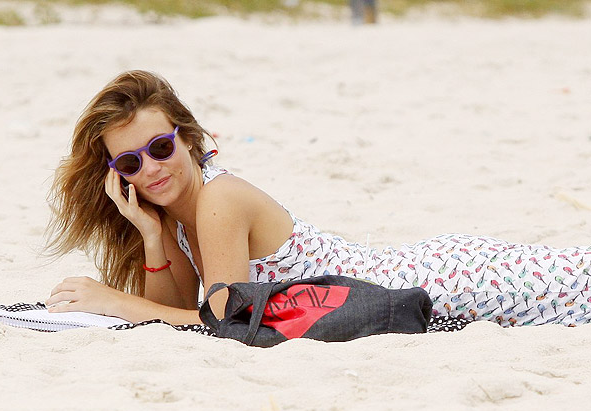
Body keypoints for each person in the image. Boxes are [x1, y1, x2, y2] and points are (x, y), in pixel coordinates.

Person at [45, 70, 591, 328]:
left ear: (190, 139)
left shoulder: (218, 201)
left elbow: (223, 325)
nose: (152, 167)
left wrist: (114, 301)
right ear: (119, 176)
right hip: (407, 281)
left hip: (440, 279)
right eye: (131, 162)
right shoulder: (178, 220)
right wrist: (147, 232)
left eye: (161, 147)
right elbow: (176, 314)